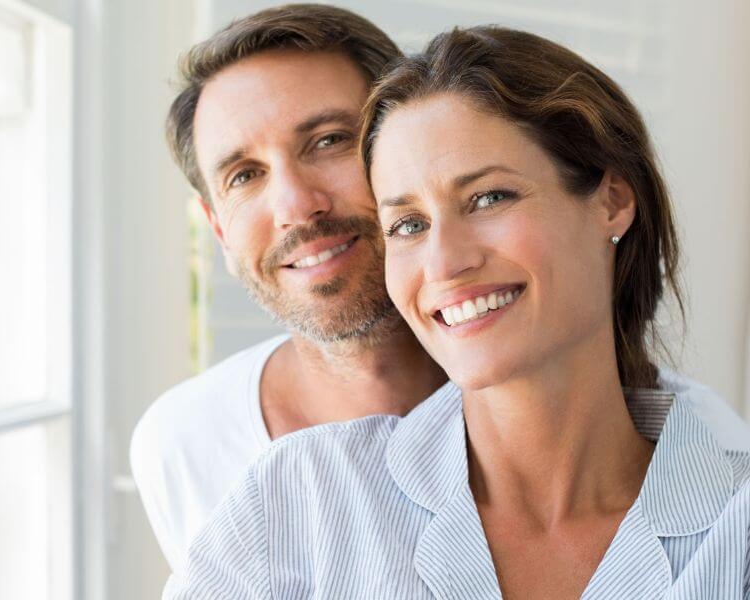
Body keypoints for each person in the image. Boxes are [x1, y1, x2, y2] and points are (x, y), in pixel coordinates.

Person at [164, 25, 750, 599]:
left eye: (490, 197)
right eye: (408, 225)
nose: (445, 262)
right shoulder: (296, 497)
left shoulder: (734, 521)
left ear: (612, 202)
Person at [130, 4, 447, 577]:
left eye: (328, 140)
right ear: (220, 229)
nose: (297, 205)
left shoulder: (572, 404)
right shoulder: (183, 444)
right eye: (245, 176)